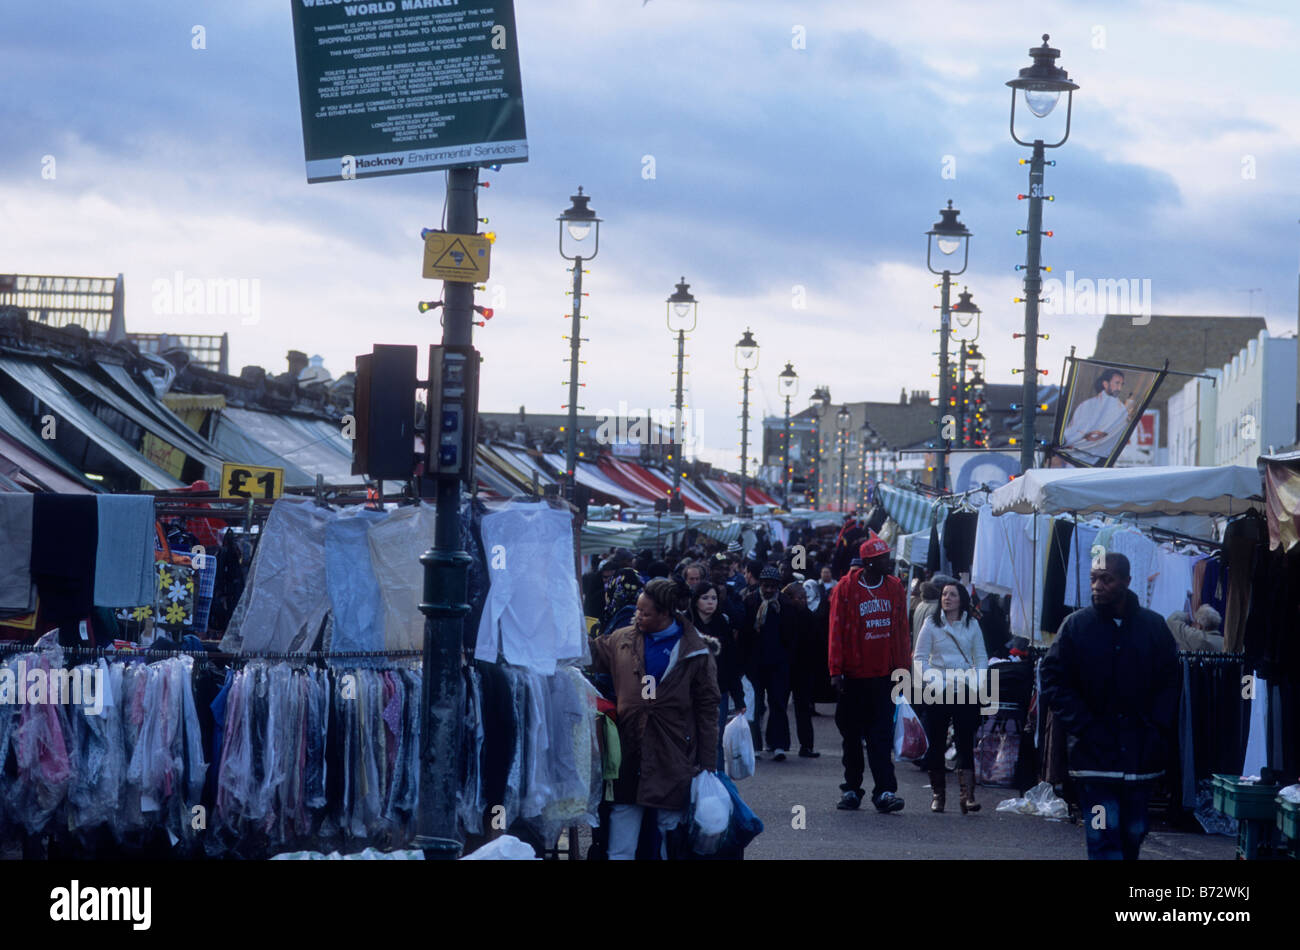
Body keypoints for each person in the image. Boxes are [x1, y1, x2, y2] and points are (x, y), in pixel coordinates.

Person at [1039, 553, 1180, 860]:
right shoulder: (1075, 626)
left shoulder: (1153, 628)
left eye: (1106, 579)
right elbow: (1052, 679)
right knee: (1103, 836)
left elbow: (1171, 681)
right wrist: (1085, 725)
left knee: (1134, 833)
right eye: (1093, 578)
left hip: (1140, 760)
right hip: (1094, 763)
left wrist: (1156, 727)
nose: (1097, 586)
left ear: (1127, 582)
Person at [588, 577, 720, 860]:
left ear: (665, 614)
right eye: (637, 609)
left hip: (672, 752)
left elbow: (708, 710)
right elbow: (589, 652)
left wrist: (708, 765)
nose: (638, 616)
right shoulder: (622, 639)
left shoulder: (695, 651)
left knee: (669, 830)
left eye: (645, 612)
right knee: (622, 826)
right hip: (628, 749)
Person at [828, 533, 910, 813]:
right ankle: (851, 789)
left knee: (881, 738)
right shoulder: (846, 588)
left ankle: (885, 791)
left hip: (883, 677)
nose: (889, 562)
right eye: (883, 558)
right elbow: (836, 630)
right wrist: (835, 670)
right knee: (851, 737)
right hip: (853, 677)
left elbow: (901, 631)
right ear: (869, 563)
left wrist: (903, 669)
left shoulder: (895, 587)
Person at [913, 581, 988, 813]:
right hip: (938, 690)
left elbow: (981, 657)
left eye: (952, 594)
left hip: (965, 690)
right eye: (944, 594)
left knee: (965, 743)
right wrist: (934, 680)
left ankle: (968, 795)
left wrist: (976, 681)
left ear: (961, 599)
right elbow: (920, 658)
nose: (947, 598)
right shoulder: (931, 623)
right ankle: (938, 794)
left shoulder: (972, 624)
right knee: (935, 744)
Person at [742, 565, 799, 761]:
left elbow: (792, 637)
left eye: (772, 587)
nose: (768, 590)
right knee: (755, 706)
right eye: (765, 586)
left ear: (778, 586)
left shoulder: (785, 605)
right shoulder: (750, 602)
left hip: (778, 664)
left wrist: (787, 661)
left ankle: (778, 745)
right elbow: (743, 634)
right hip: (754, 664)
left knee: (778, 704)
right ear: (760, 584)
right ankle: (755, 745)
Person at [691, 581, 746, 771]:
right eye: (705, 598)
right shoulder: (687, 625)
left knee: (715, 737)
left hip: (718, 690)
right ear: (696, 600)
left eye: (713, 598)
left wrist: (739, 699)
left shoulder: (722, 624)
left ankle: (716, 780)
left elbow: (732, 663)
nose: (710, 602)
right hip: (691, 691)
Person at [1060, 368, 1134, 464]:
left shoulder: (1122, 410)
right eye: (1117, 383)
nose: (1119, 388)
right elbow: (1070, 433)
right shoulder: (1087, 405)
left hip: (1104, 461)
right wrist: (1086, 435)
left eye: (1121, 384)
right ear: (1105, 384)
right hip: (1077, 459)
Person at [783, 582, 821, 757]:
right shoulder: (785, 615)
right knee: (780, 706)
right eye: (800, 598)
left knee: (802, 709)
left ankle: (806, 745)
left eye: (805, 598)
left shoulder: (809, 616)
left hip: (803, 668)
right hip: (786, 667)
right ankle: (779, 743)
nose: (804, 601)